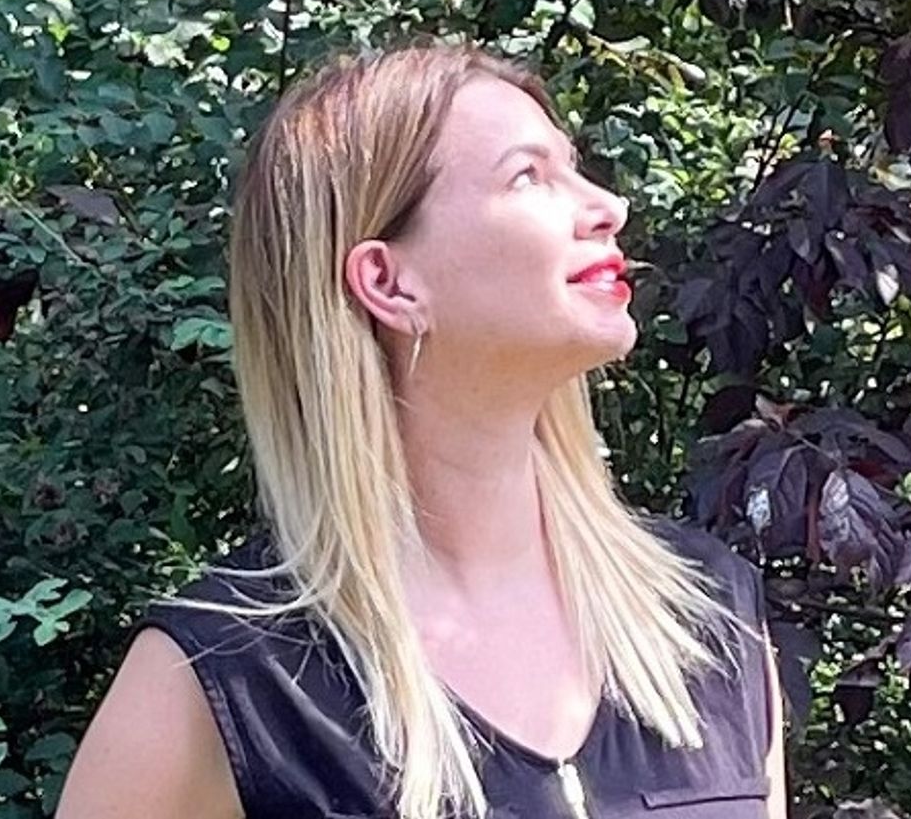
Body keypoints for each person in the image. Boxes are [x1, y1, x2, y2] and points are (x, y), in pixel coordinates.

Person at [55, 40, 788, 819]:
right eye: (528, 175)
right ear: (388, 280)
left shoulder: (706, 612)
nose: (609, 206)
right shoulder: (228, 677)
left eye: (573, 167)